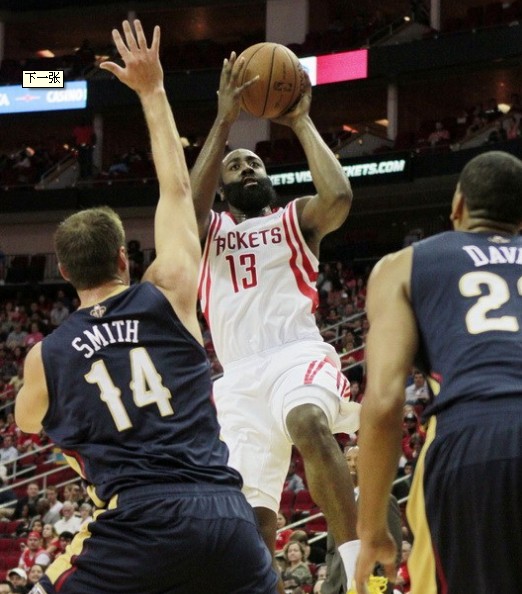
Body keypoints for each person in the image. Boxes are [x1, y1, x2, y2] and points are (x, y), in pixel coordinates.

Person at [14, 20, 276, 594]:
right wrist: (153, 91)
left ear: (64, 273)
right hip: (224, 515)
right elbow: (178, 191)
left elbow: (28, 422)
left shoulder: (46, 356)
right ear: (124, 258)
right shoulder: (169, 291)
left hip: (136, 525)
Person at [190, 50, 360, 592]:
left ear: (269, 177)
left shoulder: (295, 218)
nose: (247, 168)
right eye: (236, 166)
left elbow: (339, 196)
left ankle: (359, 572)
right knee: (251, 517)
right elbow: (185, 207)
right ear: (223, 188)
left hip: (295, 353)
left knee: (307, 421)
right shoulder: (208, 232)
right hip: (237, 377)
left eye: (255, 164)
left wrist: (300, 121)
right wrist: (224, 121)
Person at [355, 151, 522, 594]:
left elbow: (384, 402)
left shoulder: (402, 266)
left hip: (474, 440)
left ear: (458, 205)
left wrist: (371, 529)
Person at [323, 446, 402, 594]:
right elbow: (331, 550)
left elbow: (394, 551)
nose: (352, 464)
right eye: (348, 460)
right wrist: (331, 579)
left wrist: (381, 587)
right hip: (337, 588)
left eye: (358, 460)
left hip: (371, 586)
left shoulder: (384, 501)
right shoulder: (337, 502)